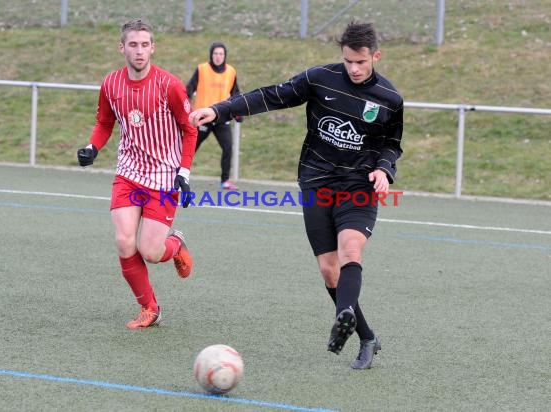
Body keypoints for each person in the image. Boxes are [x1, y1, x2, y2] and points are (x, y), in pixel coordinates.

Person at [189, 22, 403, 370]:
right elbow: (272, 94)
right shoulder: (321, 78)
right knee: (328, 271)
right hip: (317, 183)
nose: (354, 68)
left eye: (361, 62)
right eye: (348, 61)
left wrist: (384, 170)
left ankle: (344, 313)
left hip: (358, 187)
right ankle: (366, 335)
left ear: (375, 56)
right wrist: (220, 110)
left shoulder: (390, 99)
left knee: (351, 250)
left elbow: (391, 145)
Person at [76, 19, 198, 329]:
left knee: (152, 252)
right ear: (122, 48)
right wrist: (93, 147)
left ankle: (176, 245)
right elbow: (104, 123)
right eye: (133, 45)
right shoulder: (111, 84)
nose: (139, 51)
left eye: (145, 45)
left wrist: (184, 171)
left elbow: (189, 128)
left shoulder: (169, 85)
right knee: (123, 240)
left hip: (163, 177)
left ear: (153, 48)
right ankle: (150, 308)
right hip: (128, 172)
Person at [185, 42, 242, 191]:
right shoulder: (202, 69)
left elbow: (236, 94)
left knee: (228, 147)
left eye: (221, 54)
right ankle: (179, 175)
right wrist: (185, 107)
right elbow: (189, 89)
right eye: (215, 54)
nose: (218, 57)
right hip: (202, 117)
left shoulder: (231, 72)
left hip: (221, 117)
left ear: (225, 56)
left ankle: (225, 180)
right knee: (190, 147)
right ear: (211, 54)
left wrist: (238, 112)